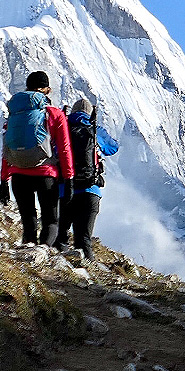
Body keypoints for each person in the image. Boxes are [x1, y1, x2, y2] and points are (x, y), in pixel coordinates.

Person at [0, 71, 74, 247]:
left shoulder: (15, 114)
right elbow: (64, 149)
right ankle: (43, 254)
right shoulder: (54, 114)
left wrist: (4, 180)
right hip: (46, 175)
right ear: (47, 90)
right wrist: (69, 178)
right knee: (50, 221)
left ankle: (28, 256)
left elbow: (6, 147)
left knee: (28, 221)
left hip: (18, 175)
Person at [55, 97, 118, 259]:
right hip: (91, 191)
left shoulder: (63, 127)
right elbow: (113, 148)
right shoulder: (94, 129)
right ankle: (89, 278)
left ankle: (59, 272)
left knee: (60, 236)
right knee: (84, 240)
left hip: (64, 191)